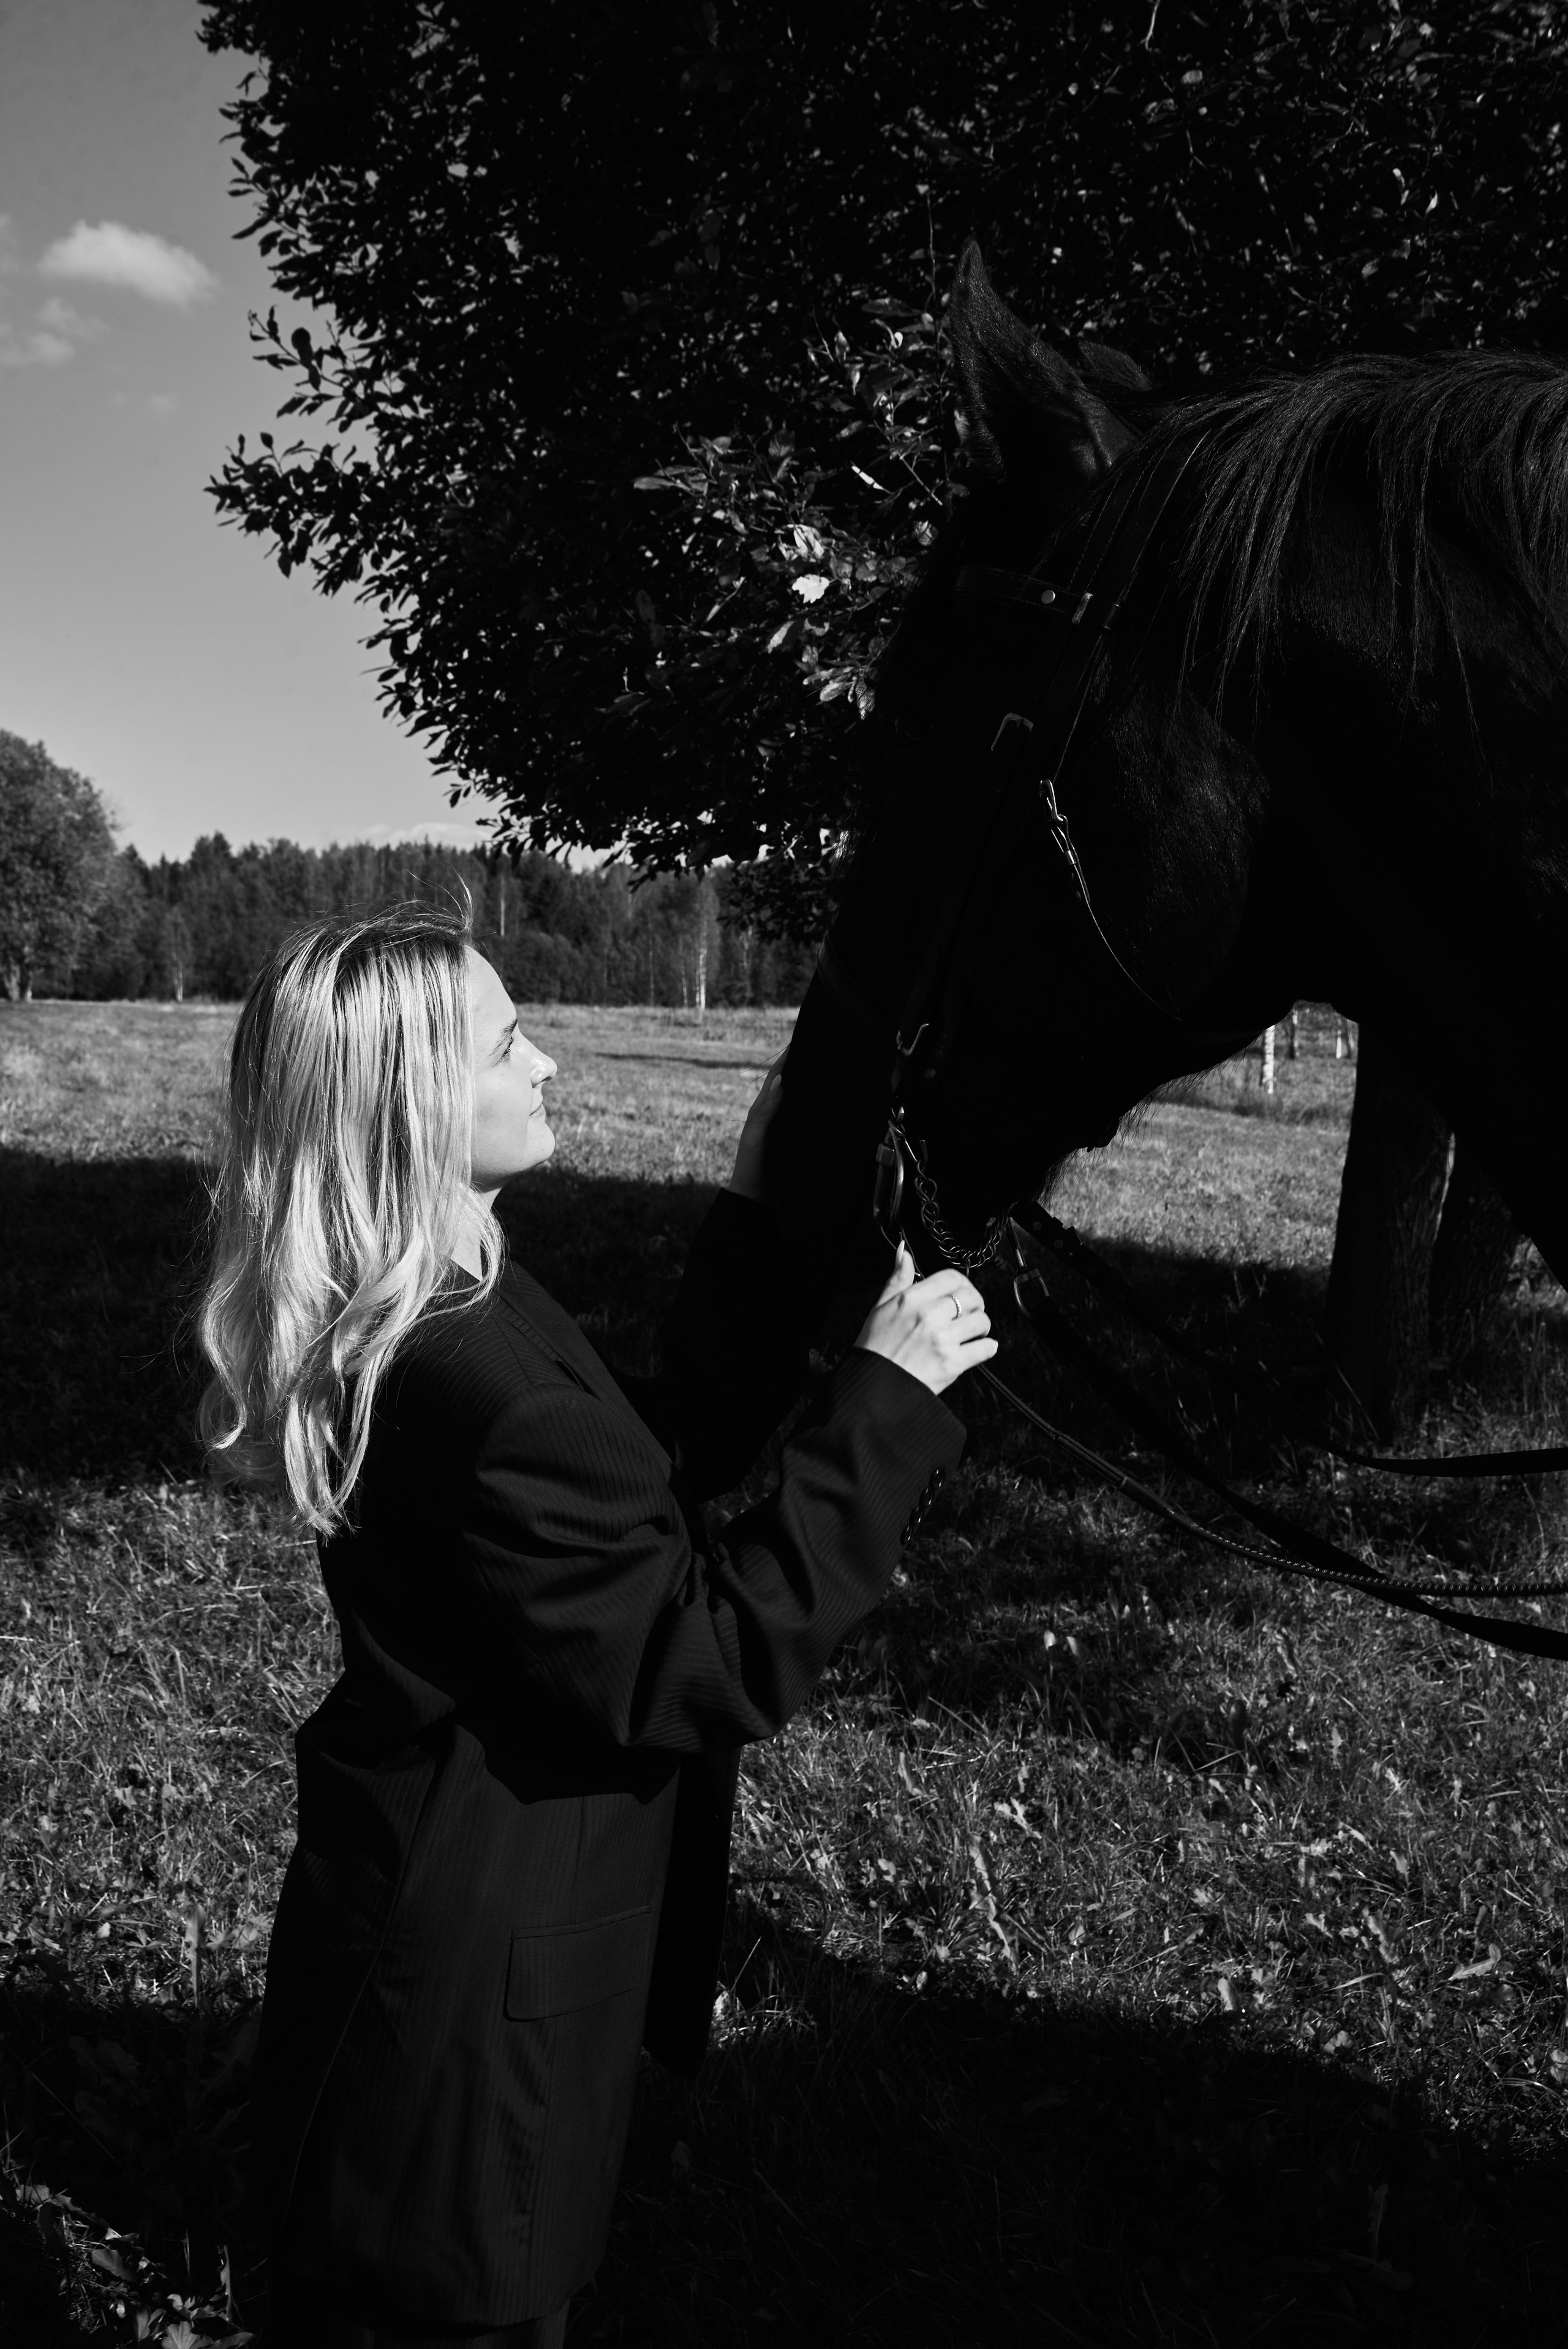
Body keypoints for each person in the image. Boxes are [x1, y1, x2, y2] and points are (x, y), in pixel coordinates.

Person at [197, 904, 995, 2349]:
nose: (549, 1058)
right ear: (421, 1103)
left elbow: (643, 1469)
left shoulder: (437, 1312)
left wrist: (757, 1223)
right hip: (471, 2026)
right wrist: (881, 1405)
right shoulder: (488, 1382)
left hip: (421, 1935)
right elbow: (704, 1656)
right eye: (510, 1039)